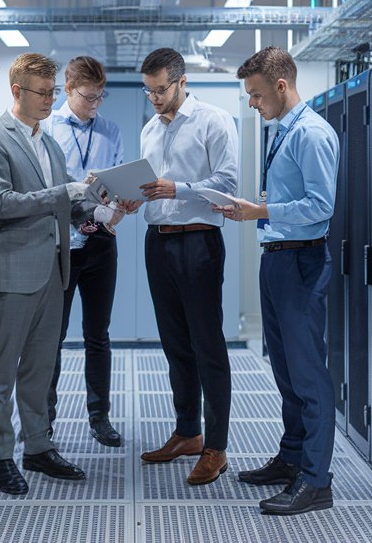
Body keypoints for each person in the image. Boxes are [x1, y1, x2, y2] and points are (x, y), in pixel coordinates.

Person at [214, 46, 339, 515]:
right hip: (278, 259)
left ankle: (316, 480)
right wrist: (255, 210)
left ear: (281, 87)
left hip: (303, 262)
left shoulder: (312, 134)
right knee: (286, 372)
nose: (252, 102)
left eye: (256, 94)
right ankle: (291, 460)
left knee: (309, 376)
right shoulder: (280, 129)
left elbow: (321, 206)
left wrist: (260, 210)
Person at [0, 53, 97, 495]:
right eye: (41, 93)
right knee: (3, 370)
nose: (49, 100)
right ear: (16, 92)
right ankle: (0, 457)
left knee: (41, 367)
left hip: (53, 268)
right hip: (13, 271)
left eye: (51, 92)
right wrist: (64, 191)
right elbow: (3, 203)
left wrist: (98, 204)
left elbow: (64, 204)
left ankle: (38, 447)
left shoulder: (49, 144)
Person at [136, 47, 239, 486]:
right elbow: (152, 189)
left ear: (180, 81)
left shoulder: (213, 120)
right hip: (157, 243)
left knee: (207, 347)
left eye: (161, 90)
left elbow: (229, 183)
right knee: (175, 344)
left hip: (198, 242)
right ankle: (187, 432)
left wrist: (177, 188)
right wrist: (132, 197)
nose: (155, 98)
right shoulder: (148, 129)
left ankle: (216, 448)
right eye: (148, 91)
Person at [44, 56, 140, 448]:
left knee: (97, 335)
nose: (95, 105)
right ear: (68, 90)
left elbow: (117, 186)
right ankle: (42, 422)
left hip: (101, 241)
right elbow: (44, 191)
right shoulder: (46, 128)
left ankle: (100, 418)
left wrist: (122, 205)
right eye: (88, 97)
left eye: (101, 97)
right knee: (51, 336)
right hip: (60, 244)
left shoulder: (110, 131)